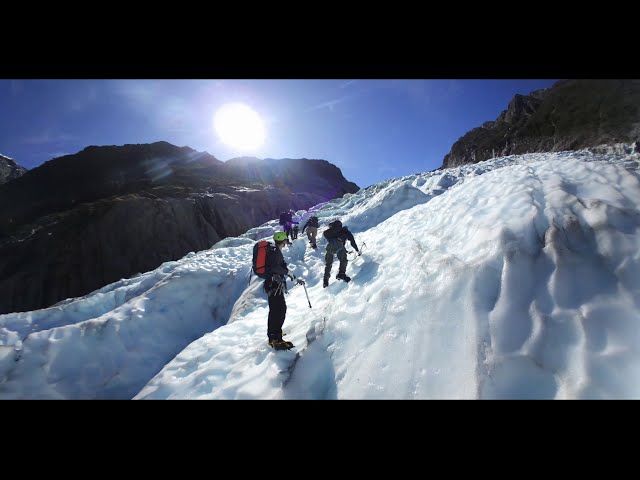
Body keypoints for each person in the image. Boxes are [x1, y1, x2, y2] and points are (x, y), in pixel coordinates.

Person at [264, 231, 305, 350]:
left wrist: (291, 275)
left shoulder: (274, 251)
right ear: (283, 241)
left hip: (273, 284)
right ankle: (275, 339)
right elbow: (275, 267)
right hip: (274, 284)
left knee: (277, 309)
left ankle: (275, 334)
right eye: (285, 241)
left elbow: (279, 266)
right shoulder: (275, 252)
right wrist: (287, 273)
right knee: (279, 310)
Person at [322, 220, 359, 288]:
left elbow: (327, 235)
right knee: (343, 260)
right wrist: (357, 250)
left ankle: (325, 280)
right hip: (339, 246)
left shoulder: (330, 231)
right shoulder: (346, 232)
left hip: (330, 246)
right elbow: (352, 242)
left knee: (328, 263)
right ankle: (341, 274)